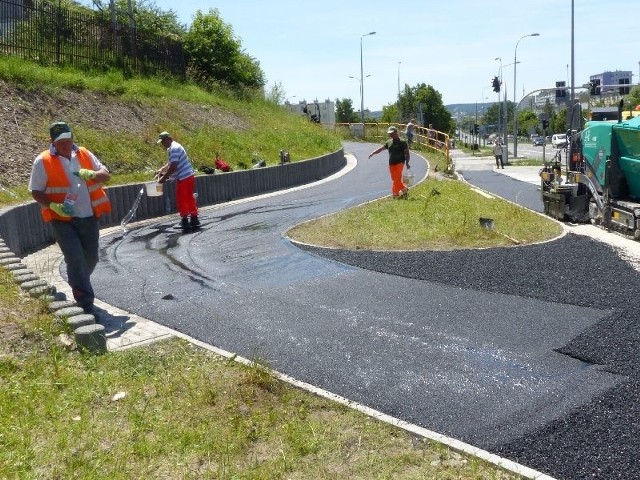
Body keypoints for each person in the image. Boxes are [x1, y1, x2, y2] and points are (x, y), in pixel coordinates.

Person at [29, 121, 111, 313]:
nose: (65, 145)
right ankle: (85, 302)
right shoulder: (43, 161)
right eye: (60, 142)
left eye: (68, 139)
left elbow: (105, 175)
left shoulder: (84, 153)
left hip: (88, 216)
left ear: (72, 137)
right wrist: (52, 206)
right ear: (52, 142)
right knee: (75, 258)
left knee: (91, 258)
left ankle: (77, 279)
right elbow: (36, 191)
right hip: (62, 219)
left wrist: (93, 174)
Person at [156, 131, 200, 230]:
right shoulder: (174, 147)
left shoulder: (174, 148)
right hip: (188, 175)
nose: (162, 145)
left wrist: (163, 178)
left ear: (168, 139)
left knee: (182, 199)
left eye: (163, 142)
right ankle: (194, 219)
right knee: (189, 197)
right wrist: (162, 169)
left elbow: (173, 167)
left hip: (183, 177)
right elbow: (171, 163)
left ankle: (185, 220)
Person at [368, 126, 411, 198]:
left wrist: (407, 163)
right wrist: (373, 153)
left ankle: (395, 194)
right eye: (389, 133)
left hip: (400, 163)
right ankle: (404, 189)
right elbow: (381, 149)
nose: (390, 134)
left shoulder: (403, 142)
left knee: (397, 179)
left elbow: (407, 153)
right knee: (394, 179)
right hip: (391, 164)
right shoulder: (389, 142)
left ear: (396, 132)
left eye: (392, 133)